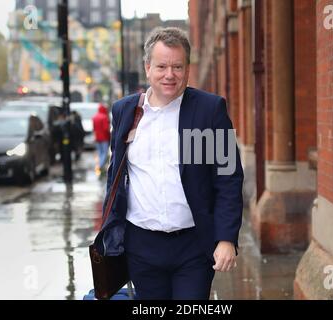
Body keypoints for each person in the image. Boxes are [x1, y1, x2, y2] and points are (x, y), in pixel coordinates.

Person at [97, 27, 244, 300]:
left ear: (188, 69)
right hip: (141, 245)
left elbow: (228, 178)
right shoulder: (126, 111)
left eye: (178, 66)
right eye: (162, 66)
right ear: (147, 67)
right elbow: (116, 174)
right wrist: (111, 233)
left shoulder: (209, 110)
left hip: (194, 245)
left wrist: (226, 238)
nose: (169, 75)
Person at [92, 104, 111, 172]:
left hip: (97, 138)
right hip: (104, 138)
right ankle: (100, 166)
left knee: (100, 152)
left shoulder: (94, 117)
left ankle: (99, 165)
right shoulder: (104, 117)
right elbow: (106, 129)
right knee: (104, 153)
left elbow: (94, 128)